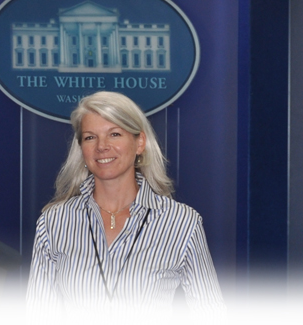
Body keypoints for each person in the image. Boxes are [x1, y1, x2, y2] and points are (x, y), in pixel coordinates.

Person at [26, 91, 225, 318]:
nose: (102, 146)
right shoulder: (54, 222)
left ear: (139, 143)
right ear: (81, 149)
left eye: (115, 134)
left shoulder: (181, 222)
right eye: (90, 137)